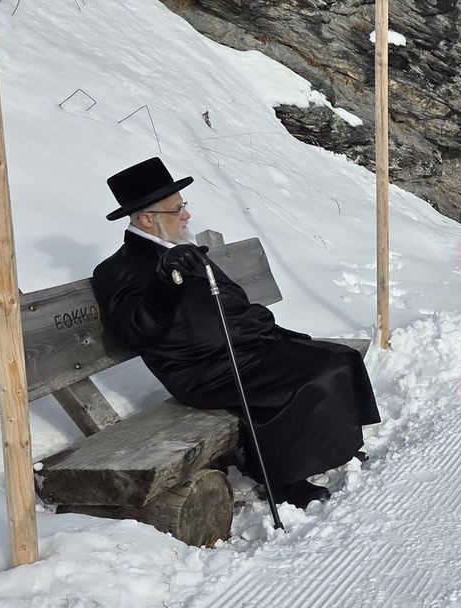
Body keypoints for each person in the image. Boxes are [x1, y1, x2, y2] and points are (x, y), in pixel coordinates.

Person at [92, 157, 380, 507]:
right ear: (147, 219)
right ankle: (281, 478)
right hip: (202, 370)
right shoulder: (116, 271)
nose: (186, 214)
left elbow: (230, 299)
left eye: (183, 205)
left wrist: (258, 326)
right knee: (310, 376)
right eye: (177, 209)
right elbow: (134, 334)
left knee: (338, 357)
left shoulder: (181, 250)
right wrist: (164, 284)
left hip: (244, 347)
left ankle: (337, 446)